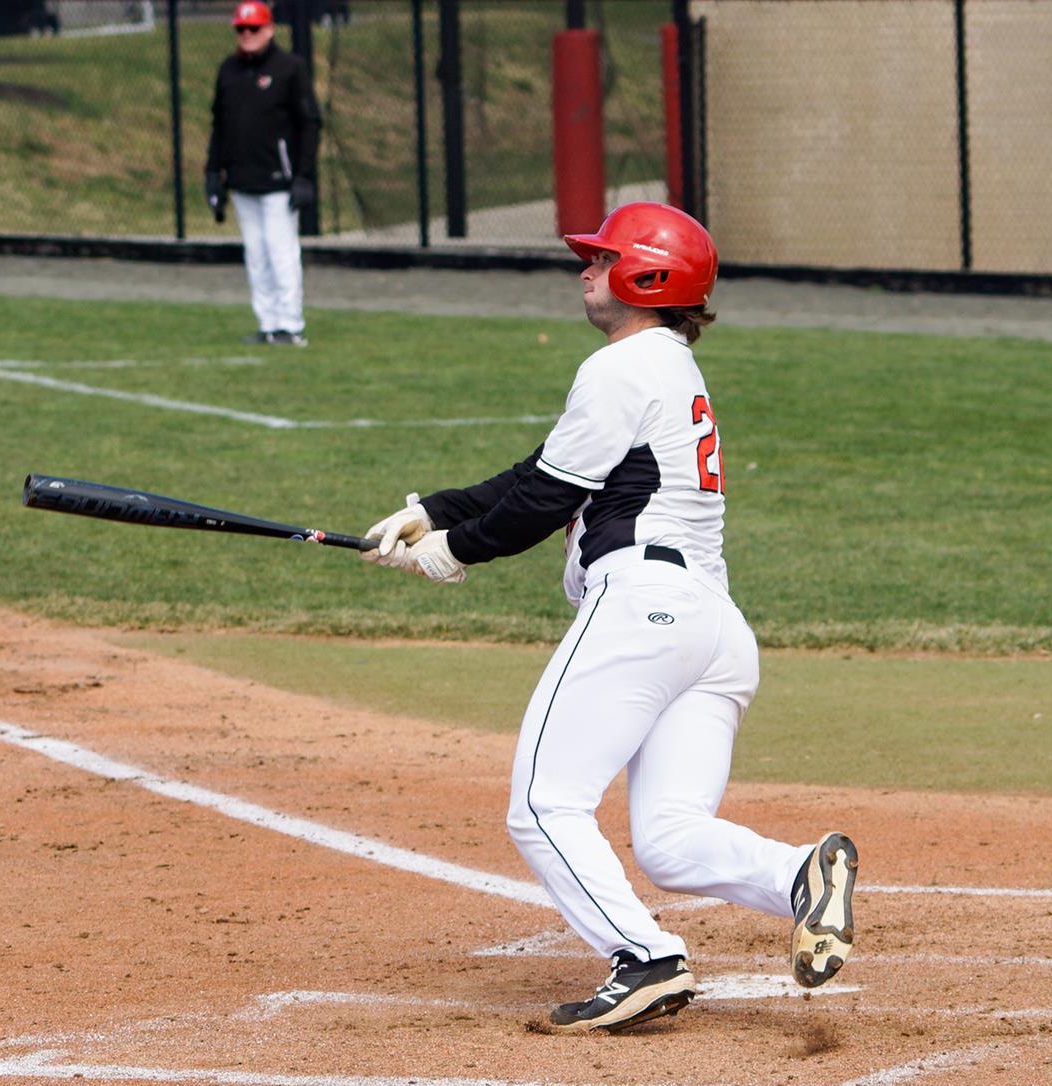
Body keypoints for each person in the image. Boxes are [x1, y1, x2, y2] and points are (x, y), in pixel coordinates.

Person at [359, 202, 860, 1033]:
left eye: (601, 258)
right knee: (669, 839)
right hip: (712, 631)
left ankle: (646, 959)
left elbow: (543, 501)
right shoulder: (664, 368)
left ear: (647, 277)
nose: (585, 269)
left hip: (641, 610)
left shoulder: (622, 366)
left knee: (541, 805)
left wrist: (453, 552)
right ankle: (801, 873)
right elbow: (538, 474)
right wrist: (431, 513)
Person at [205, 0, 320, 347]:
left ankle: (290, 324)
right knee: (255, 254)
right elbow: (219, 126)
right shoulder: (228, 70)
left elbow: (310, 123)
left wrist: (303, 175)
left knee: (280, 251)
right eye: (241, 29)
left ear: (269, 29)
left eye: (254, 28)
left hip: (278, 180)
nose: (247, 34)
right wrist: (213, 174)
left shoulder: (290, 68)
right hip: (242, 180)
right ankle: (267, 322)